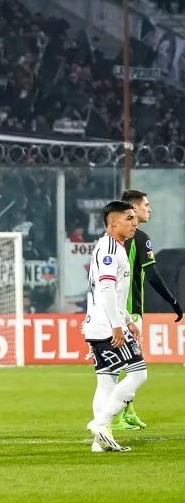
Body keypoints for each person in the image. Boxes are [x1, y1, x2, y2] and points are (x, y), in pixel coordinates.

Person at [112, 190, 183, 431]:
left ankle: (128, 411)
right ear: (134, 208)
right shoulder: (141, 238)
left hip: (122, 309)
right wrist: (173, 301)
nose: (149, 209)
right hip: (129, 310)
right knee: (133, 366)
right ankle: (118, 415)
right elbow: (152, 275)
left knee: (130, 364)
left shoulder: (114, 238)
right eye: (146, 205)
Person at [83, 200, 147, 453]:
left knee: (106, 380)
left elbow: (115, 294)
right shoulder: (110, 249)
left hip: (100, 324)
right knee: (139, 373)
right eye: (129, 218)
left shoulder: (113, 247)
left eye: (135, 218)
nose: (135, 222)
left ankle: (100, 443)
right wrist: (117, 326)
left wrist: (128, 321)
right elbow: (107, 289)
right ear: (113, 222)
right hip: (106, 326)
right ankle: (101, 423)